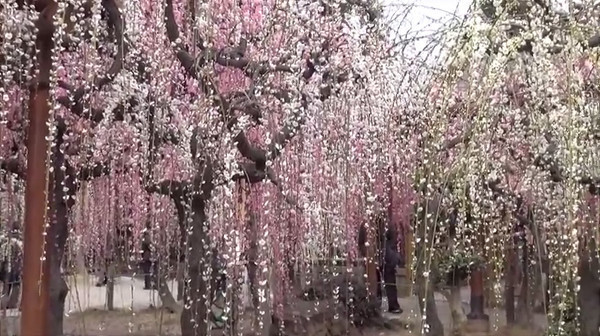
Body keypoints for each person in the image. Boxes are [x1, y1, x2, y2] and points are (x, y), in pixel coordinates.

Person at [382, 226, 402, 314]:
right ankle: (393, 306)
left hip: (388, 265)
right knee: (390, 286)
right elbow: (391, 256)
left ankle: (393, 305)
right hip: (388, 266)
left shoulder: (388, 245)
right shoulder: (388, 246)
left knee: (391, 286)